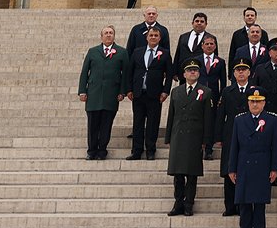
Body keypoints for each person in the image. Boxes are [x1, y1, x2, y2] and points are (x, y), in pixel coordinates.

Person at [228, 87, 277, 228]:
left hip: (262, 164)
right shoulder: (239, 120)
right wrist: (232, 168)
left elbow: (276, 146)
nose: (255, 105)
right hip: (244, 164)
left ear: (264, 103)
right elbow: (234, 146)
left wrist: (275, 168)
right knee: (244, 204)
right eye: (252, 101)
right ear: (248, 103)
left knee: (259, 204)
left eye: (258, 102)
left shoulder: (271, 120)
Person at [164, 60, 211, 216]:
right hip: (178, 135)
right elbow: (171, 115)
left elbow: (207, 117)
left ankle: (189, 203)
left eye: (195, 70)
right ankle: (178, 202)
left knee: (191, 173)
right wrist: (168, 137)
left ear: (199, 74)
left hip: (195, 137)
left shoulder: (205, 91)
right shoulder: (176, 92)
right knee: (178, 174)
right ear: (184, 74)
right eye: (189, 70)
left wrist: (205, 140)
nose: (192, 72)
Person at [78, 25, 129, 161]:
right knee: (93, 125)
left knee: (106, 125)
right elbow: (85, 72)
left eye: (111, 33)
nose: (108, 35)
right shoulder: (93, 51)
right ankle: (91, 150)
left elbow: (126, 74)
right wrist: (82, 90)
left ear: (114, 36)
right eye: (106, 33)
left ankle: (102, 150)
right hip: (93, 95)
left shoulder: (122, 52)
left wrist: (122, 91)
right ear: (101, 36)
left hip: (111, 95)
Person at [127, 25, 171, 160]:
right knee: (138, 122)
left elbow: (169, 74)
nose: (153, 38)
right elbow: (130, 71)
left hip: (155, 94)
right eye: (151, 35)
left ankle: (151, 150)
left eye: (156, 36)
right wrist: (129, 89)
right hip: (139, 93)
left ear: (159, 38)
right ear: (146, 37)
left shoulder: (164, 53)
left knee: (153, 123)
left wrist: (165, 91)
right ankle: (136, 150)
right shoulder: (137, 52)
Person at [216, 59, 254, 216]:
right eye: (238, 69)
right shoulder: (227, 91)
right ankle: (230, 206)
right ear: (233, 73)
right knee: (229, 170)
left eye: (244, 69)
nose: (241, 72)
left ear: (249, 73)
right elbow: (220, 115)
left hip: (249, 134)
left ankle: (243, 205)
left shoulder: (254, 91)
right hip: (231, 134)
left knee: (245, 170)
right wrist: (218, 136)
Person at [193, 34, 225, 160]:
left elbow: (223, 81)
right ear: (202, 46)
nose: (209, 46)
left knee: (210, 122)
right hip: (198, 95)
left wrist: (221, 97)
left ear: (215, 46)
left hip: (214, 96)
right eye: (207, 44)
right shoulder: (196, 60)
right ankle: (197, 148)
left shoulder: (220, 61)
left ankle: (209, 149)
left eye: (212, 44)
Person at [173, 12, 213, 81]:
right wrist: (174, 72)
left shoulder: (211, 38)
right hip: (184, 73)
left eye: (202, 21)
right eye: (197, 21)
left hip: (201, 74)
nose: (199, 23)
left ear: (206, 24)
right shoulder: (183, 37)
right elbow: (178, 54)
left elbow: (213, 56)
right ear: (192, 23)